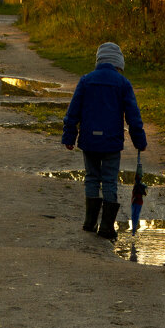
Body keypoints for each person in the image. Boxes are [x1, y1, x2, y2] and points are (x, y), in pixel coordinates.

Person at [61, 42, 147, 241]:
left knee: (91, 178)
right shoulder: (123, 83)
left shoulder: (86, 80)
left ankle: (89, 223)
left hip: (89, 141)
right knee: (109, 181)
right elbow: (133, 117)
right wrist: (139, 141)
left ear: (98, 60)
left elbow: (72, 112)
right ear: (119, 63)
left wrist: (69, 136)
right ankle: (106, 228)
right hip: (111, 143)